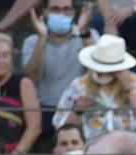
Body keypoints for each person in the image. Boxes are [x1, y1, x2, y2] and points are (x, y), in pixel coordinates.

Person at [54, 34, 136, 155]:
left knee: (118, 138)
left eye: (105, 68)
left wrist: (130, 90)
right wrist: (77, 111)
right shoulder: (79, 86)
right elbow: (62, 128)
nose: (99, 72)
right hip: (93, 150)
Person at [20, 0, 96, 133]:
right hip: (44, 109)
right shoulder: (32, 42)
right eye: (56, 9)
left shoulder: (88, 35)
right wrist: (42, 38)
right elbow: (32, 78)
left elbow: (99, 69)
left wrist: (83, 31)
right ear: (45, 12)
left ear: (74, 12)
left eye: (67, 9)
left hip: (79, 108)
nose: (62, 14)